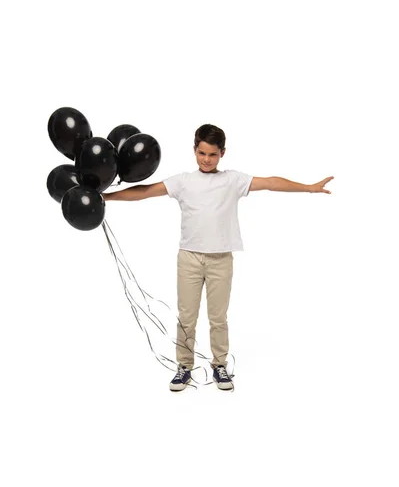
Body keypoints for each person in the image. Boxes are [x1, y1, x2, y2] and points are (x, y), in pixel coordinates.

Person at [103, 124, 334, 392]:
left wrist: (309, 187)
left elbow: (270, 183)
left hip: (220, 260)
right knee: (186, 316)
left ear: (222, 153)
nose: (206, 159)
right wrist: (107, 197)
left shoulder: (232, 180)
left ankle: (220, 365)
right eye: (201, 153)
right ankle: (184, 367)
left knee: (218, 317)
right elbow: (144, 192)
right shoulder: (183, 181)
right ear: (194, 150)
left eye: (212, 154)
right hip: (189, 258)